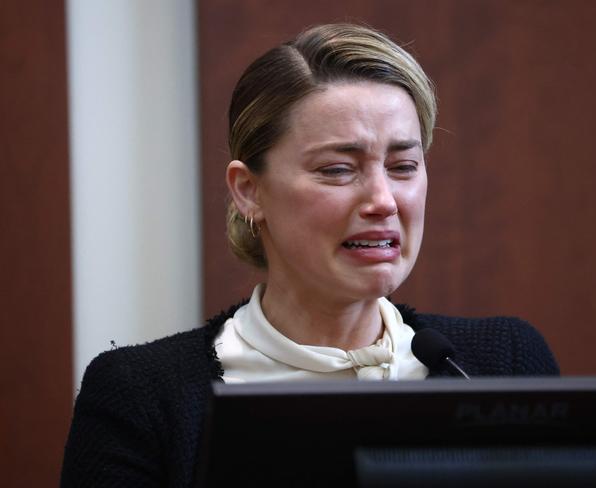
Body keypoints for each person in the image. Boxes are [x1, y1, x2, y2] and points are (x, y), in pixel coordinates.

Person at [61, 23, 559, 487]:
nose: (384, 199)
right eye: (339, 169)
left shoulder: (504, 363)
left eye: (403, 166)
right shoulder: (143, 397)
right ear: (249, 191)